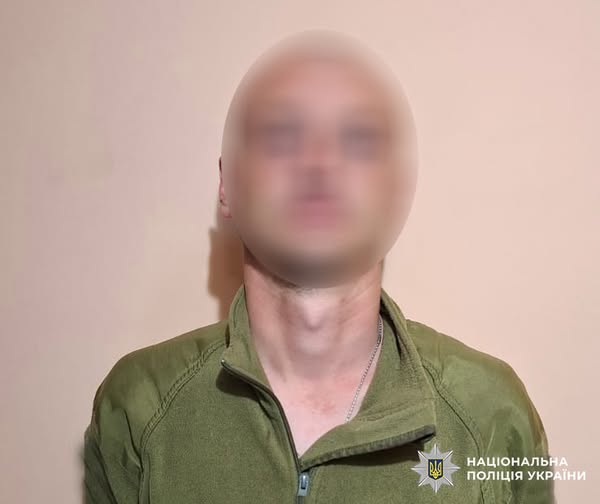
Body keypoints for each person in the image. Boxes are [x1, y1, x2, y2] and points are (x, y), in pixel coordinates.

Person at [83, 30, 555, 503]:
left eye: (358, 139)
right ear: (227, 185)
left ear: (397, 187)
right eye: (281, 135)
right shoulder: (138, 406)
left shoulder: (490, 413)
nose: (319, 162)